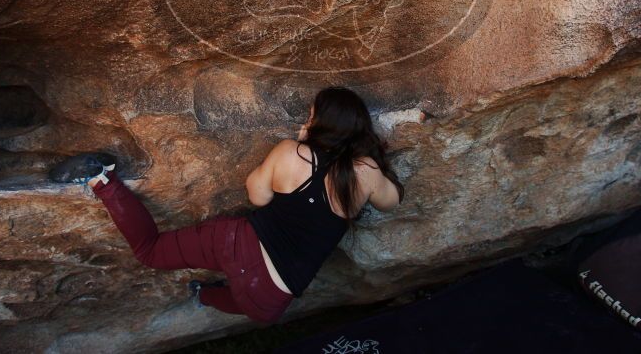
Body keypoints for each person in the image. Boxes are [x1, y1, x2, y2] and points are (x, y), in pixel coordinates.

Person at [78, 86, 404, 323]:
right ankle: (202, 294)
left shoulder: (293, 152)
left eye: (311, 114)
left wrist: (300, 145)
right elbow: (392, 201)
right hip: (271, 299)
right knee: (246, 301)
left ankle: (101, 180)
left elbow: (257, 196)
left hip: (238, 246)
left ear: (321, 122)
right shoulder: (366, 172)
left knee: (150, 252)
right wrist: (373, 162)